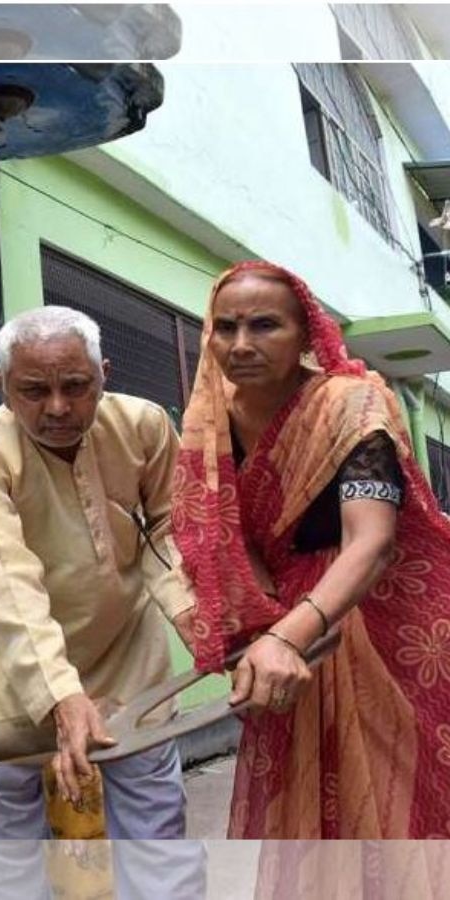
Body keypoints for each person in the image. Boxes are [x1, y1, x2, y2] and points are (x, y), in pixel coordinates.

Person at [172, 260, 450, 838]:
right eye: (226, 328)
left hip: (371, 622)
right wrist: (247, 619)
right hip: (281, 633)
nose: (241, 344)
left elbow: (370, 541)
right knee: (312, 819)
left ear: (306, 334)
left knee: (393, 803)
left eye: (265, 326)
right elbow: (213, 527)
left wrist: (283, 636)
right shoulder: (210, 417)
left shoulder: (352, 406)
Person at [0, 305, 199, 842]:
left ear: (105, 373)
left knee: (155, 823)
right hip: (14, 672)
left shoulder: (145, 427)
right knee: (11, 833)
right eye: (33, 391)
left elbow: (169, 529)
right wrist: (59, 693)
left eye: (77, 385)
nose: (58, 408)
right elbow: (3, 576)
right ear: (2, 385)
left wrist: (191, 615)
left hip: (127, 657)